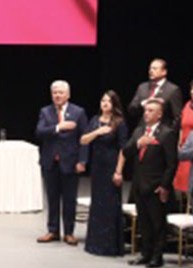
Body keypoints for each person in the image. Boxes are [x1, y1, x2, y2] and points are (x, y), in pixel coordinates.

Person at [117, 99, 177, 267]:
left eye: (151, 111)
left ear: (159, 114)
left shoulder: (167, 133)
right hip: (139, 185)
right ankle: (145, 253)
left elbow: (172, 164)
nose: (146, 113)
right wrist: (138, 144)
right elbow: (126, 151)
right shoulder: (139, 131)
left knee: (157, 224)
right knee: (143, 223)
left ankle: (157, 257)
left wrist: (165, 186)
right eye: (145, 110)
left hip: (156, 186)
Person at [35, 80, 88, 246]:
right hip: (50, 162)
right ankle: (53, 230)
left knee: (69, 199)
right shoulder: (45, 112)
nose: (57, 95)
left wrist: (82, 160)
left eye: (61, 92)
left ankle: (70, 232)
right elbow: (39, 132)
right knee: (52, 198)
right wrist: (59, 127)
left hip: (71, 162)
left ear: (68, 94)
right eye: (55, 93)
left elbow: (84, 139)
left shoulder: (78, 112)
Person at [80, 90, 128, 256]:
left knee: (110, 206)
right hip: (97, 167)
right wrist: (97, 133)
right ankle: (95, 244)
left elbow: (123, 149)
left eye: (109, 101)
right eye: (103, 101)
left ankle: (110, 246)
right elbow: (83, 140)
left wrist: (118, 171)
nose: (105, 103)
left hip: (111, 166)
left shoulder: (119, 123)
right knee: (97, 205)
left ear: (114, 104)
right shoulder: (95, 120)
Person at [128, 58, 184, 131]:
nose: (151, 71)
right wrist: (142, 103)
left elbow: (177, 117)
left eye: (155, 68)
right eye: (150, 68)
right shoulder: (142, 87)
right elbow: (131, 110)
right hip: (142, 131)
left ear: (164, 72)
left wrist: (169, 134)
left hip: (162, 135)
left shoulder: (172, 90)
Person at [173, 81, 193, 194]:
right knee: (181, 188)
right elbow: (182, 126)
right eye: (191, 89)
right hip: (184, 150)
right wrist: (179, 143)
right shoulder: (186, 106)